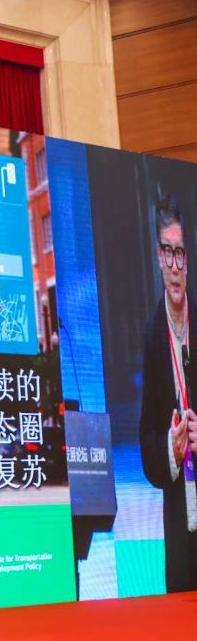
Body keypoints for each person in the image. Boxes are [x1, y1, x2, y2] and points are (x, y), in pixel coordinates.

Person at [139, 191, 197, 592]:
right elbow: (145, 435)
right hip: (180, 512)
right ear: (159, 258)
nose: (175, 267)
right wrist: (170, 451)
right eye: (167, 252)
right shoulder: (152, 334)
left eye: (180, 253)